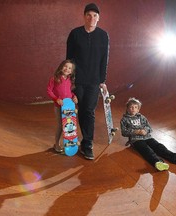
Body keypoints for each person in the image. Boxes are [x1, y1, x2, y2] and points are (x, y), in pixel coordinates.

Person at [66, 3, 109, 160]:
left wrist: (102, 80)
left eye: (95, 15)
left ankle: (88, 143)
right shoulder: (75, 34)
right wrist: (69, 80)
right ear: (84, 16)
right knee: (81, 108)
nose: (92, 18)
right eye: (89, 15)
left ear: (99, 18)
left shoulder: (103, 35)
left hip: (94, 81)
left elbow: (104, 59)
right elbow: (69, 59)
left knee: (89, 111)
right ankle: (79, 139)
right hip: (78, 80)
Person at [120, 98, 176, 171]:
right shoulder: (124, 120)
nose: (133, 109)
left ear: (138, 109)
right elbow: (124, 132)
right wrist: (135, 132)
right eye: (131, 107)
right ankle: (158, 162)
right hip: (136, 140)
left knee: (159, 146)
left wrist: (146, 131)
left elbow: (149, 127)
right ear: (127, 108)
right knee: (146, 150)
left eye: (135, 107)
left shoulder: (142, 117)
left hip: (147, 137)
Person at [47, 60, 78, 153]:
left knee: (69, 125)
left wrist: (74, 97)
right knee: (60, 126)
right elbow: (49, 91)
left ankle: (69, 144)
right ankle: (56, 144)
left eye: (69, 68)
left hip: (69, 107)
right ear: (61, 67)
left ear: (71, 71)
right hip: (58, 106)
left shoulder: (69, 80)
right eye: (65, 66)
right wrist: (56, 99)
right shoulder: (54, 78)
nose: (67, 69)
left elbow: (69, 92)